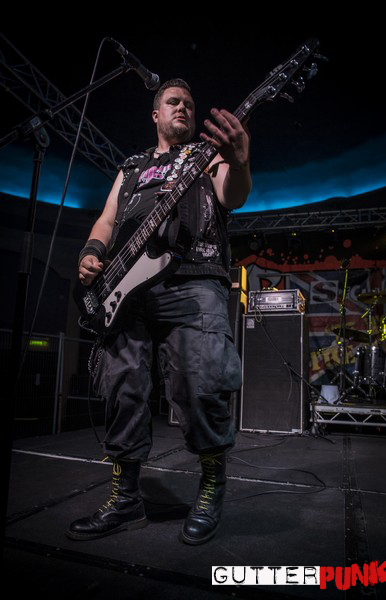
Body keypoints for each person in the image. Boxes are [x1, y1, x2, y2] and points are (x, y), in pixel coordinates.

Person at [66, 79, 251, 545]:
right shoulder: (132, 167)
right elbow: (108, 218)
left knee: (200, 382)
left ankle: (211, 486)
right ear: (155, 114)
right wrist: (91, 251)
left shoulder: (207, 155)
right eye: (173, 101)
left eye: (189, 103)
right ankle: (126, 498)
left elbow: (232, 196)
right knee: (122, 387)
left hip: (194, 277)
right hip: (127, 290)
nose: (183, 107)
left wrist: (239, 162)